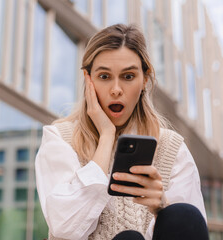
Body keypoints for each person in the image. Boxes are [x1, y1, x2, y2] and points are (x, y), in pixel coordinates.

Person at [35, 24, 208, 240]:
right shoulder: (60, 139)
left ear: (145, 79)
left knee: (183, 216)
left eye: (127, 77)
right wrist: (106, 137)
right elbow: (64, 229)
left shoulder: (171, 148)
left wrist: (161, 206)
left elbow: (192, 228)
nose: (116, 89)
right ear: (88, 79)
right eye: (104, 77)